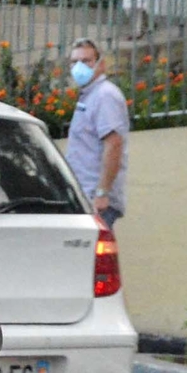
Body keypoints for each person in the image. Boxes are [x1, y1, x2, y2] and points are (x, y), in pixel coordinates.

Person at [62, 36, 129, 229]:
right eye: (74, 61)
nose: (79, 67)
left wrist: (102, 193)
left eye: (86, 61)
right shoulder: (89, 97)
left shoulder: (104, 95)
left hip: (95, 201)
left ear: (100, 64)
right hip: (85, 197)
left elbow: (114, 144)